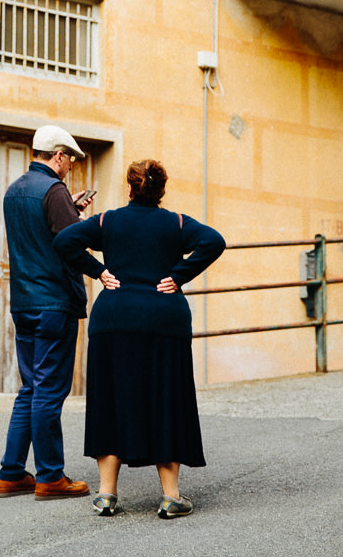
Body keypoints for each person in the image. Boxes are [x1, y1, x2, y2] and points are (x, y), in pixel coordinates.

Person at [55, 159, 225, 519]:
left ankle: (105, 494)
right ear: (160, 191)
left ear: (130, 189)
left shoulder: (108, 220)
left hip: (114, 318)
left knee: (111, 400)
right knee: (167, 399)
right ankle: (170, 496)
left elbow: (65, 240)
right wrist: (178, 276)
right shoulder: (176, 222)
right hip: (165, 319)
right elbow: (214, 241)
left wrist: (99, 271)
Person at [0, 125, 95, 500]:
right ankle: (51, 477)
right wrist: (100, 271)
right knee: (50, 390)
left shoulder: (14, 190)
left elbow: (39, 235)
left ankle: (11, 473)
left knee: (31, 387)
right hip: (55, 301)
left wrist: (72, 209)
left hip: (23, 301)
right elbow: (70, 245)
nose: (70, 166)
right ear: (58, 155)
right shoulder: (54, 190)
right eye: (69, 158)